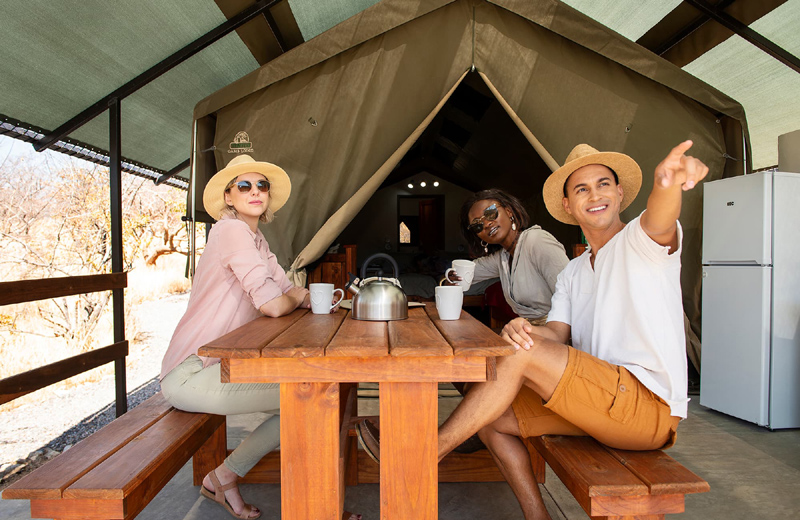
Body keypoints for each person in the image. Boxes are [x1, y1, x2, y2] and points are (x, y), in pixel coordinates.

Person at [358, 141, 708, 520]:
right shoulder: (574, 270)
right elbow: (555, 333)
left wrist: (667, 184)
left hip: (645, 407)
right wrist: (519, 329)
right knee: (488, 417)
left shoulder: (639, 243)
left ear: (620, 193)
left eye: (603, 184)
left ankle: (425, 453)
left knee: (507, 370)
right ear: (569, 206)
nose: (595, 195)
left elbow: (659, 219)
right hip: (602, 399)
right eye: (582, 189)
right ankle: (536, 516)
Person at [159, 154, 311, 520]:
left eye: (262, 185)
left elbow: (291, 290)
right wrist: (290, 297)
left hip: (220, 364)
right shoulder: (230, 231)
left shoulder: (256, 239)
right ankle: (308, 497)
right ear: (229, 196)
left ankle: (223, 478)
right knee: (309, 393)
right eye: (244, 185)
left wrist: (294, 296)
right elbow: (274, 304)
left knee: (307, 396)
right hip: (191, 371)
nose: (255, 191)